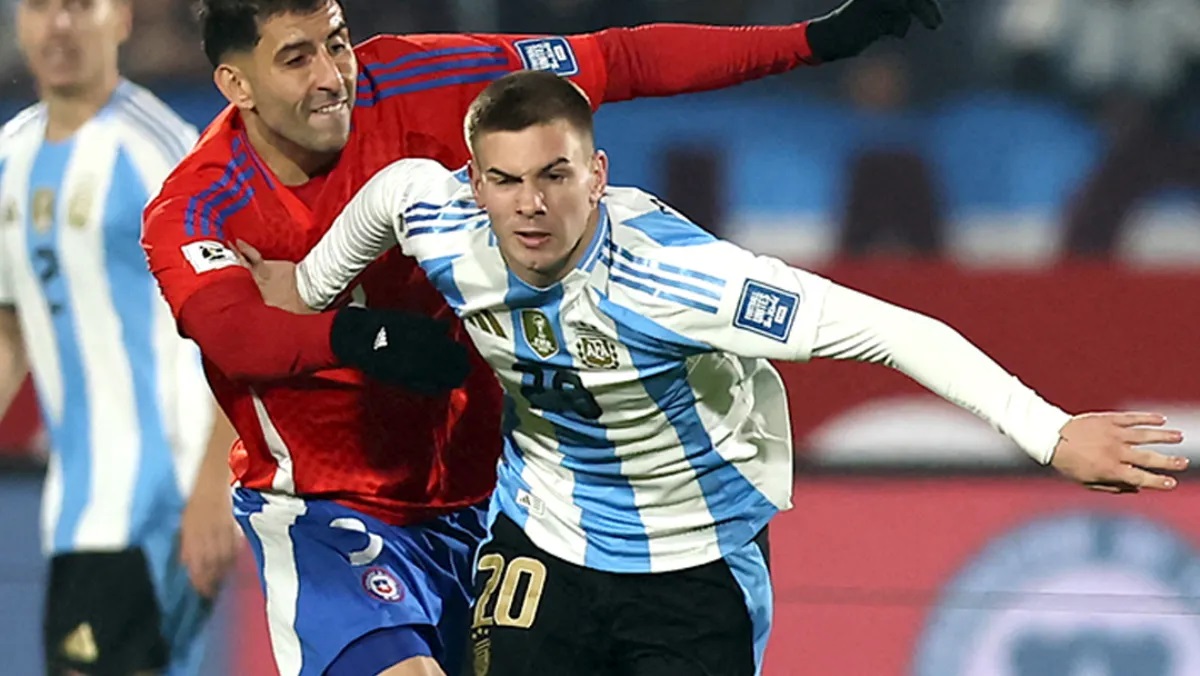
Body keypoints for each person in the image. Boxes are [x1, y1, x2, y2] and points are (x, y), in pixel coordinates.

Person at [243, 69, 1189, 676]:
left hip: (692, 565)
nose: (530, 206)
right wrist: (307, 296)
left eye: (555, 177)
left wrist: (1049, 432)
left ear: (597, 173)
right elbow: (343, 252)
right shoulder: (431, 212)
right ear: (475, 181)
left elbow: (894, 331)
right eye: (506, 180)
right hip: (544, 539)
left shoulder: (682, 280)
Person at [140, 0, 945, 674]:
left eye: (337, 42)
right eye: (296, 58)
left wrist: (816, 40)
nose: (331, 76)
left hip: (503, 502)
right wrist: (362, 340)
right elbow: (234, 334)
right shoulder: (196, 204)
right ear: (235, 84)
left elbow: (619, 60)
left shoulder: (429, 79)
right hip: (330, 509)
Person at [0, 0, 241, 674]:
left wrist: (214, 487)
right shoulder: (10, 156)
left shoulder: (161, 149)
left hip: (162, 503)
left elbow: (235, 322)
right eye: (42, 7)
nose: (60, 25)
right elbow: (11, 324)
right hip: (76, 512)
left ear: (122, 19)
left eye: (81, 6)